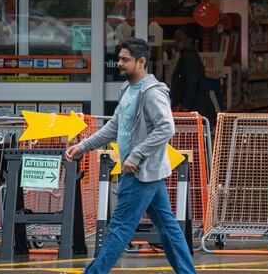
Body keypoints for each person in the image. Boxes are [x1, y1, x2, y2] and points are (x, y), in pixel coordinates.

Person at [65, 38, 196, 274]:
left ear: (141, 62)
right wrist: (83, 146)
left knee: (119, 229)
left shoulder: (151, 93)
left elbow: (166, 128)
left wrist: (135, 156)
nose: (119, 63)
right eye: (119, 58)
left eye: (125, 59)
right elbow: (115, 127)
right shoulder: (127, 89)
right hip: (149, 173)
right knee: (167, 228)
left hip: (139, 172)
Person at [170, 23, 217, 127]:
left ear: (189, 40)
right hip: (197, 109)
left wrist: (184, 107)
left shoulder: (188, 58)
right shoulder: (189, 57)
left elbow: (191, 82)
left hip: (195, 110)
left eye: (179, 40)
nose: (175, 43)